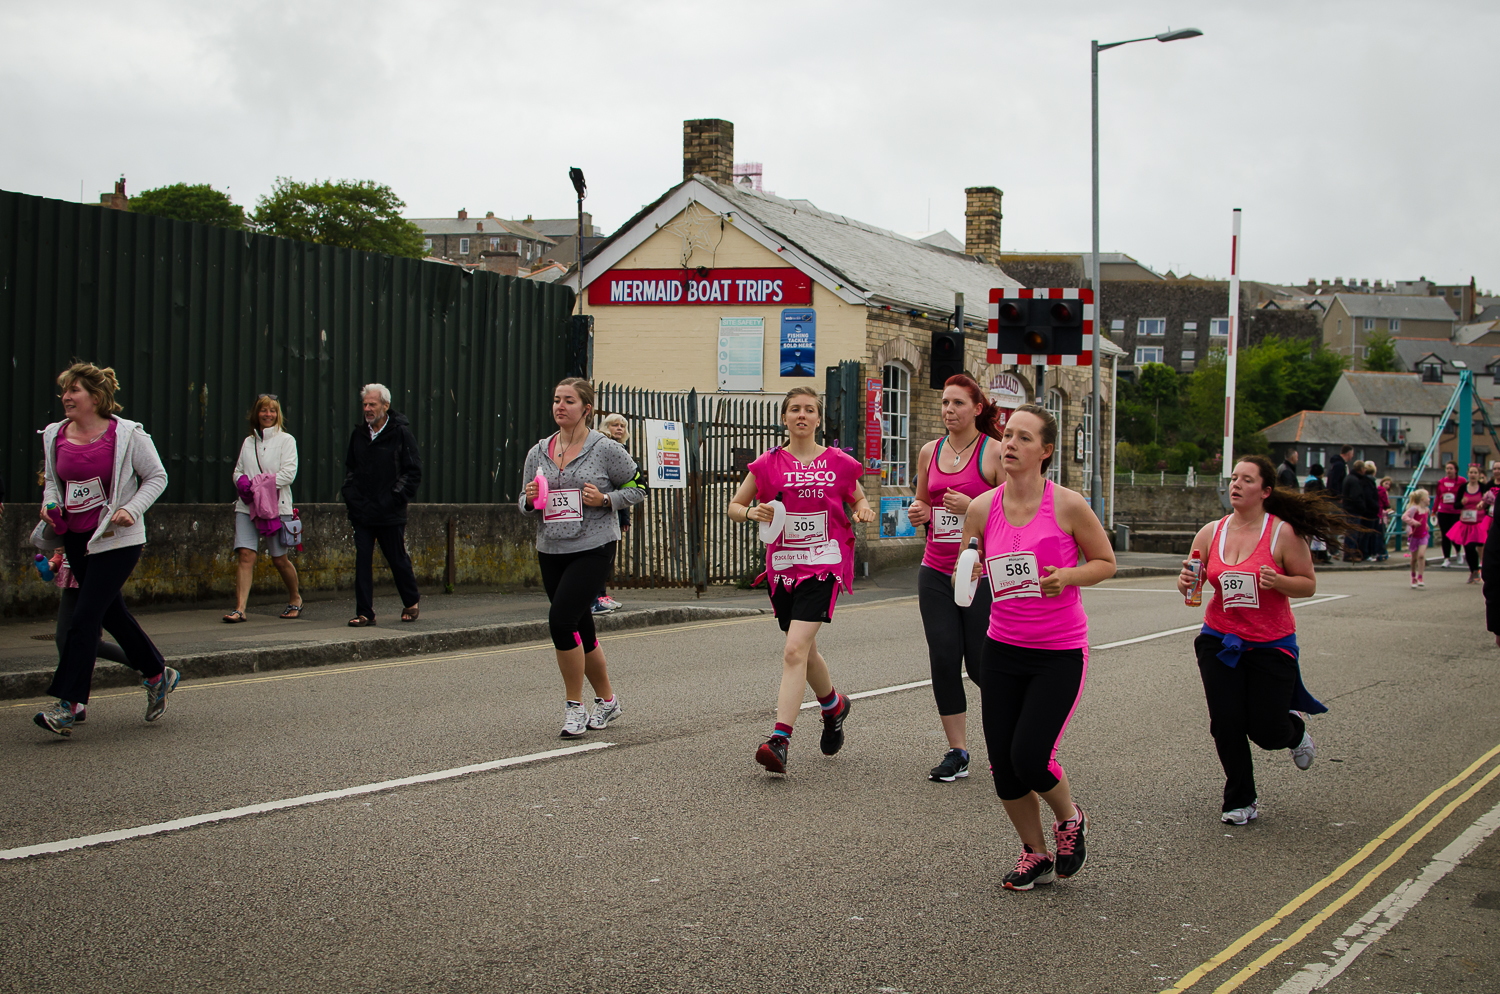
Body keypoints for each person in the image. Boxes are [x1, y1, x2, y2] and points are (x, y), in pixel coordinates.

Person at [958, 404, 1116, 890]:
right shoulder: (982, 508)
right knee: (1004, 768)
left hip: (1058, 653)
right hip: (1002, 649)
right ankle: (1035, 853)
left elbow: (1105, 561)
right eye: (1007, 436)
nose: (1010, 445)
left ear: (1045, 451)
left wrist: (1068, 576)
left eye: (1024, 438)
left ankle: (1069, 819)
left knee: (1030, 756)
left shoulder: (1067, 505)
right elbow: (966, 567)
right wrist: (969, 565)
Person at [1177, 455, 1348, 826]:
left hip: (1271, 644)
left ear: (1265, 491)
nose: (1235, 484)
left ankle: (1294, 730)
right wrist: (1186, 583)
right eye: (1234, 478)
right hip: (1220, 639)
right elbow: (1193, 576)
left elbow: (1308, 584)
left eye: (1246, 480)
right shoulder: (1211, 532)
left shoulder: (1282, 533)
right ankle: (1241, 799)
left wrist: (1280, 582)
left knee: (1267, 731)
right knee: (1225, 722)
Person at [727, 386, 876, 774]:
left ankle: (779, 740)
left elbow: (858, 498)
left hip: (824, 564)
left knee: (794, 650)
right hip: (784, 568)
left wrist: (863, 511)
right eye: (795, 409)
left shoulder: (839, 462)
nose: (802, 415)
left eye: (809, 410)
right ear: (784, 418)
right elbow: (735, 505)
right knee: (804, 651)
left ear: (817, 419)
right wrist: (750, 514)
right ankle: (833, 705)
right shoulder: (767, 464)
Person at [29, 362, 175, 737]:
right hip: (77, 538)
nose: (65, 397)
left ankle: (68, 705)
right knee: (112, 615)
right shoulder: (55, 435)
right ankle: (158, 672)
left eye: (73, 390)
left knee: (85, 618)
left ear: (94, 398)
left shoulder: (126, 434)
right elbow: (52, 483)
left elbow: (157, 476)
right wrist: (51, 506)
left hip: (117, 539)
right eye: (64, 390)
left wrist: (131, 508)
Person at [521, 378, 647, 738]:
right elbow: (525, 501)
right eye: (557, 400)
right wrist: (530, 499)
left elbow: (638, 487)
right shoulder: (538, 452)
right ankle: (607, 701)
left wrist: (606, 500)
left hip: (594, 546)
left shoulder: (605, 448)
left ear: (586, 409)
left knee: (561, 621)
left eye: (569, 401)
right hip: (551, 547)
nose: (561, 406)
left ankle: (573, 707)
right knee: (580, 625)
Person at [906, 374, 1004, 783]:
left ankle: (1006, 742)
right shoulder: (930, 451)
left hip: (980, 573)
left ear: (977, 408)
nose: (949, 410)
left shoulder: (995, 452)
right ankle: (958, 752)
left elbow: (1012, 514)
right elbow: (922, 500)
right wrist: (918, 512)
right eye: (945, 403)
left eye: (958, 403)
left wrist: (973, 506)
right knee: (944, 659)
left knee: (982, 667)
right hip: (935, 569)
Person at [342, 383, 422, 626]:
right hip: (363, 512)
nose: (367, 409)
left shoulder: (401, 434)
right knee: (362, 559)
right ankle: (365, 612)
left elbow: (412, 473)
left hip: (390, 513)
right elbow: (350, 470)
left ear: (385, 406)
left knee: (396, 558)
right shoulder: (358, 435)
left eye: (372, 404)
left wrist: (391, 499)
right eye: (365, 404)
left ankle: (411, 600)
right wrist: (352, 497)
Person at [224, 394, 302, 622]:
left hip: (276, 508)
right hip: (247, 507)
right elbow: (238, 470)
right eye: (263, 410)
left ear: (278, 415)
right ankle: (240, 608)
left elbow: (288, 475)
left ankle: (295, 597)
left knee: (279, 558)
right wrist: (241, 483)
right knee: (245, 555)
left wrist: (257, 486)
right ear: (256, 414)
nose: (268, 414)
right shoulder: (249, 442)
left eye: (272, 411)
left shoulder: (287, 441)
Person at [592, 412, 644, 615]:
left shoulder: (622, 450)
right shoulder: (602, 447)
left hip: (613, 508)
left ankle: (601, 594)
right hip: (598, 509)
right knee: (599, 557)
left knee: (607, 557)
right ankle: (596, 596)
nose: (619, 429)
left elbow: (627, 489)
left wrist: (625, 517)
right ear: (606, 427)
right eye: (615, 425)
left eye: (622, 426)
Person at [1443, 464, 1489, 584]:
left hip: (1479, 523)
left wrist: (1483, 505)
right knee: (1468, 549)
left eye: (1475, 473)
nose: (1473, 475)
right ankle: (1474, 571)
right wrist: (1462, 503)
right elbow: (1456, 505)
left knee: (1476, 546)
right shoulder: (1463, 488)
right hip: (1465, 523)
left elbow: (1489, 504)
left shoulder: (1483, 487)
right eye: (1471, 473)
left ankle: (1479, 569)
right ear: (1468, 474)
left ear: (1479, 475)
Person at [1340, 460, 1372, 562]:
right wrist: (1362, 507)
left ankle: (1349, 553)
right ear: (1362, 469)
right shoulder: (1355, 481)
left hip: (1348, 508)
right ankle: (1349, 554)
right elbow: (1356, 496)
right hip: (1353, 510)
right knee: (1352, 533)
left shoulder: (1349, 478)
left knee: (1350, 532)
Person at [1435, 461, 1464, 568]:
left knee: (1455, 534)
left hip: (1456, 512)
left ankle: (1458, 552)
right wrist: (1434, 511)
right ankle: (1446, 558)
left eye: (1451, 468)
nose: (1449, 471)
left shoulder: (1462, 481)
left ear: (1455, 470)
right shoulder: (1441, 482)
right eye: (1447, 468)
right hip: (1443, 511)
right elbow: (1438, 496)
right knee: (1445, 535)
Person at [1402, 488, 1430, 588]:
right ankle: (1413, 577)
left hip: (1424, 535)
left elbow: (1424, 520)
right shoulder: (1414, 509)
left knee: (1421, 556)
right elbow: (1404, 517)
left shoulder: (1426, 510)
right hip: (1414, 536)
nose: (1429, 499)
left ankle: (1420, 577)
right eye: (1428, 497)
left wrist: (1425, 525)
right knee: (1414, 558)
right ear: (1423, 499)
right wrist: (1414, 523)